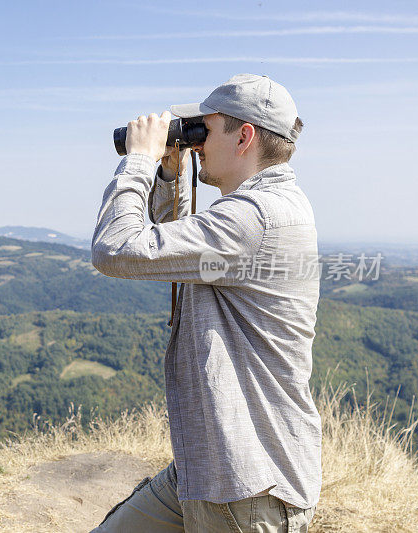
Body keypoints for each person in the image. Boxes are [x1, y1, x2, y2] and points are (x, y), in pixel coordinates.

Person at [90, 74, 320, 532]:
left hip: (247, 488)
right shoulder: (267, 209)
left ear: (245, 136)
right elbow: (172, 248)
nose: (196, 143)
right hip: (210, 468)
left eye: (205, 130)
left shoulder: (256, 217)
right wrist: (169, 172)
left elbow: (117, 248)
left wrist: (138, 161)